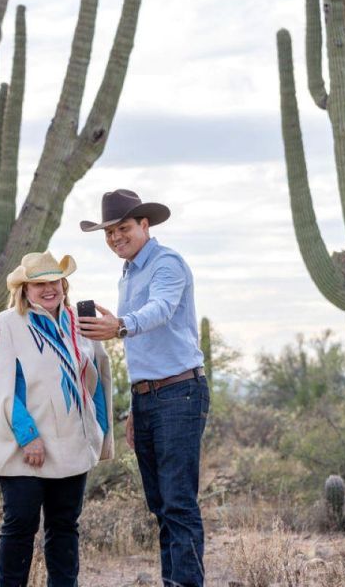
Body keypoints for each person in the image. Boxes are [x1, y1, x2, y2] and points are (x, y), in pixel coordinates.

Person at [77, 189, 209, 587]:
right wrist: (136, 404)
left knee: (178, 504)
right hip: (149, 397)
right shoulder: (129, 272)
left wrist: (119, 325)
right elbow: (145, 346)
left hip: (180, 393)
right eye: (110, 233)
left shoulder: (167, 263)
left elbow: (161, 310)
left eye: (123, 229)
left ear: (144, 225)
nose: (116, 237)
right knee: (160, 505)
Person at [0, 250, 112, 587]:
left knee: (64, 526)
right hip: (26, 446)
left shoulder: (78, 323)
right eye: (39, 284)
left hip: (73, 443)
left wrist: (98, 429)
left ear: (64, 284)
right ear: (24, 289)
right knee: (20, 525)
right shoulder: (9, 323)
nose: (49, 289)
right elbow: (0, 386)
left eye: (54, 282)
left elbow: (96, 378)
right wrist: (28, 435)